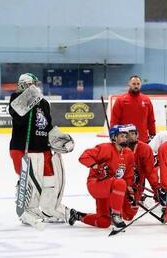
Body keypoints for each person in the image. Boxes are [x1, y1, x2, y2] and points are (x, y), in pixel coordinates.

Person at [9, 73, 84, 229]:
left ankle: (49, 210)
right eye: (32, 84)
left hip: (43, 148)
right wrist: (29, 99)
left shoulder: (44, 103)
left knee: (50, 181)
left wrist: (61, 139)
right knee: (31, 182)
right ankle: (29, 210)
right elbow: (19, 120)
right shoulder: (15, 98)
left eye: (36, 84)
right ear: (24, 85)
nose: (36, 87)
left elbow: (47, 126)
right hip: (23, 148)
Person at [76, 124, 135, 228]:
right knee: (120, 182)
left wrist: (129, 190)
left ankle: (78, 216)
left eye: (126, 136)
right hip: (96, 184)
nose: (125, 139)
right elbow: (84, 157)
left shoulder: (129, 153)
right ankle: (116, 215)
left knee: (103, 222)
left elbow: (128, 173)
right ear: (114, 137)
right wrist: (97, 167)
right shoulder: (105, 148)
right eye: (121, 136)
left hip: (112, 188)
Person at [121, 124, 160, 222]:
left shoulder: (145, 149)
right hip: (119, 184)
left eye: (133, 133)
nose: (131, 136)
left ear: (137, 134)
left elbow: (150, 172)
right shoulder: (117, 148)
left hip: (136, 185)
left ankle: (141, 198)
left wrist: (157, 191)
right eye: (128, 134)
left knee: (128, 215)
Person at [110, 75, 156, 142]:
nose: (136, 86)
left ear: (141, 85)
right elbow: (114, 119)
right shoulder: (120, 100)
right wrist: (113, 134)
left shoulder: (146, 100)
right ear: (129, 84)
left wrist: (153, 134)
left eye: (138, 84)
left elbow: (151, 119)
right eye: (134, 84)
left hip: (143, 139)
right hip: (125, 139)